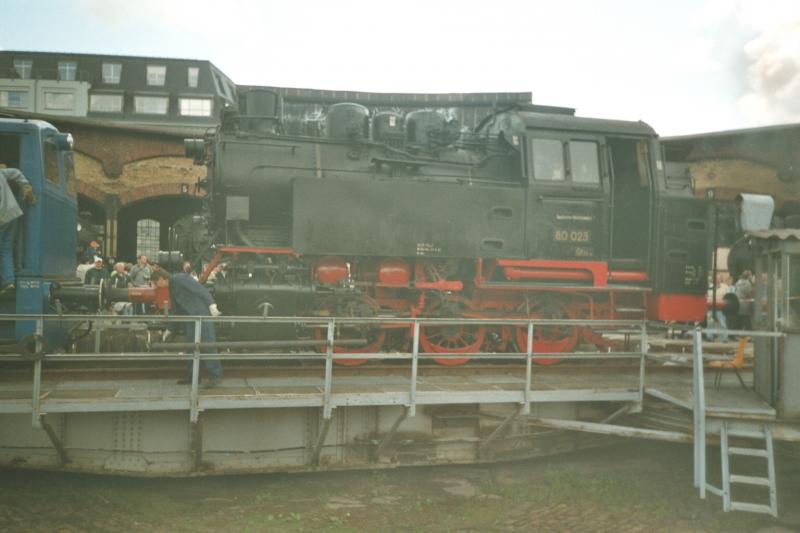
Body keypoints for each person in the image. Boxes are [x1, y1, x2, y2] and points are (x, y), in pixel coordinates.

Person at [151, 268, 223, 386]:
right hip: (191, 319)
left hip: (201, 316)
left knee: (208, 345)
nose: (156, 286)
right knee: (191, 348)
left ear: (161, 279)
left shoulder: (180, 278)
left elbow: (200, 289)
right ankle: (193, 377)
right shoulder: (172, 287)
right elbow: (176, 310)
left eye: (155, 283)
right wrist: (170, 329)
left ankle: (216, 377)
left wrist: (212, 305)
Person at [0, 167, 36, 291]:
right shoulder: (1, 172)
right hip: (12, 212)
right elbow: (16, 173)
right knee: (5, 247)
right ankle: (9, 281)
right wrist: (26, 187)